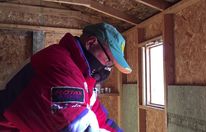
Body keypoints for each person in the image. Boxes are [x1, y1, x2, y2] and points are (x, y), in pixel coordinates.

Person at [0, 23, 132, 131]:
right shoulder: (60, 66)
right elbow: (77, 127)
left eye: (111, 65)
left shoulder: (82, 76)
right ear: (91, 43)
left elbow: (101, 119)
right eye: (108, 60)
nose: (107, 68)